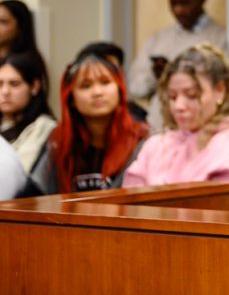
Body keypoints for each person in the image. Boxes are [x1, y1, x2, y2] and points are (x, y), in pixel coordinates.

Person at [123, 43, 229, 212]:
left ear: (220, 90)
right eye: (172, 97)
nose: (179, 106)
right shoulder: (156, 145)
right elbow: (130, 205)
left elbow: (225, 217)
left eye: (192, 95)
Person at [32, 47, 150, 194]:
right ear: (71, 99)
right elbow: (38, 194)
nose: (97, 92)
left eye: (105, 82)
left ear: (120, 90)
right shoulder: (57, 141)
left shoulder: (143, 140)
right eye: (86, 86)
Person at [127, 0, 229, 129]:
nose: (179, 10)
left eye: (185, 3)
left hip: (202, 131)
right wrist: (157, 77)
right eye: (173, 3)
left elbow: (227, 87)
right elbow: (135, 89)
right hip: (158, 130)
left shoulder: (221, 38)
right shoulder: (158, 39)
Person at [0, 49, 56, 174]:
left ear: (35, 86)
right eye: (0, 84)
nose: (5, 92)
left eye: (14, 84)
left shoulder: (44, 127)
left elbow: (20, 174)